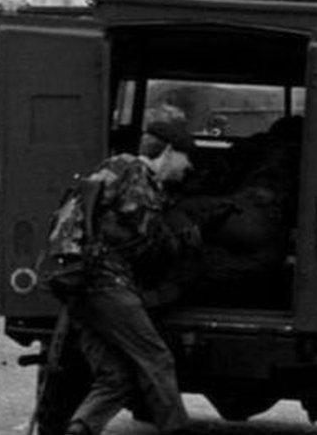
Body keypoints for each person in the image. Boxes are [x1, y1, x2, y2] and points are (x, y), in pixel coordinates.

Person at [57, 119, 212, 435]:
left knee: (117, 375)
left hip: (78, 284)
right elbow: (144, 246)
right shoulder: (140, 181)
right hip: (107, 284)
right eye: (186, 157)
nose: (189, 166)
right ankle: (177, 429)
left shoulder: (111, 168)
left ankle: (81, 427)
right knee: (156, 359)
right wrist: (181, 242)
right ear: (168, 151)